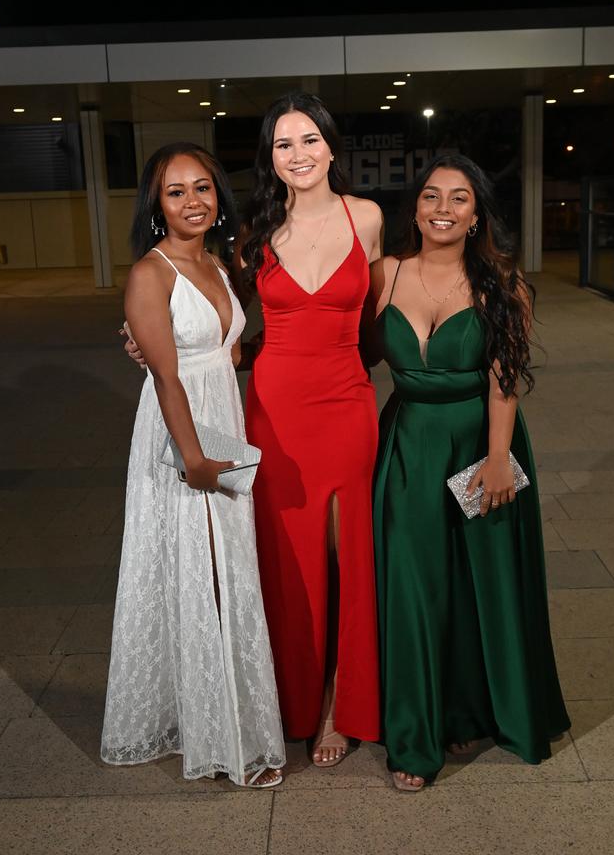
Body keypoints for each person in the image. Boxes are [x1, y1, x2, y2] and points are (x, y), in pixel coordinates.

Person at [367, 154, 570, 792]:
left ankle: (475, 710)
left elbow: (503, 379)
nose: (443, 209)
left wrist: (500, 456)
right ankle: (416, 737)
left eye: (459, 199)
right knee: (414, 587)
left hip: (482, 444)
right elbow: (332, 346)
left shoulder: (503, 285)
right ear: (416, 209)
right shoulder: (384, 274)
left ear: (477, 213)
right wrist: (222, 347)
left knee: (485, 585)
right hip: (407, 445)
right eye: (432, 197)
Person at [101, 142, 285, 789]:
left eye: (202, 187)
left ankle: (227, 719)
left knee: (226, 572)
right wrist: (195, 459)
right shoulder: (149, 274)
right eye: (176, 191)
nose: (192, 201)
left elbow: (229, 354)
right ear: (156, 204)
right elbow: (168, 378)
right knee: (198, 571)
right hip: (184, 435)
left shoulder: (218, 260)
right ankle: (215, 743)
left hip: (221, 422)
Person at [239, 93, 383, 765]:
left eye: (308, 140)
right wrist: (147, 340)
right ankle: (292, 698)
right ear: (271, 159)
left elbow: (385, 310)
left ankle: (340, 707)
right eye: (282, 145)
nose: (298, 155)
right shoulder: (255, 232)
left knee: (348, 553)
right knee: (289, 560)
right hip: (275, 412)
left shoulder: (370, 218)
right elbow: (224, 321)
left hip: (347, 401)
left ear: (331, 145)